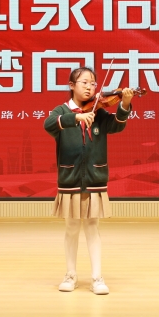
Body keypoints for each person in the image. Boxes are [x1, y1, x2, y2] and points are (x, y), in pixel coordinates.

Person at [43, 66, 133, 295]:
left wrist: (124, 104)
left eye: (93, 83)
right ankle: (70, 275)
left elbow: (117, 125)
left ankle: (97, 278)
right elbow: (49, 124)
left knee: (92, 227)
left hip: (94, 179)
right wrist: (77, 117)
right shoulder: (61, 111)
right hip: (70, 179)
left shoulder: (99, 111)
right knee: (72, 227)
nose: (90, 87)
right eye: (84, 82)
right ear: (71, 85)